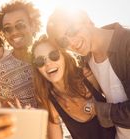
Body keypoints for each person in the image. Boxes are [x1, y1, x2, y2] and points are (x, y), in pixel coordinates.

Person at [46, 8, 130, 139]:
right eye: (63, 41)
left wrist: (95, 109)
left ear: (86, 20)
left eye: (72, 31)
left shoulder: (127, 45)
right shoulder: (85, 60)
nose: (71, 43)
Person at [31, 35, 115, 139]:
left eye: (53, 55)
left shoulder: (88, 75)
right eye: (40, 61)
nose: (48, 63)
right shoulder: (50, 102)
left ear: (64, 56)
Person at [0, 0, 41, 107]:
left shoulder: (52, 57)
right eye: (8, 28)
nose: (14, 32)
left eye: (20, 25)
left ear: (33, 25)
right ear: (4, 33)